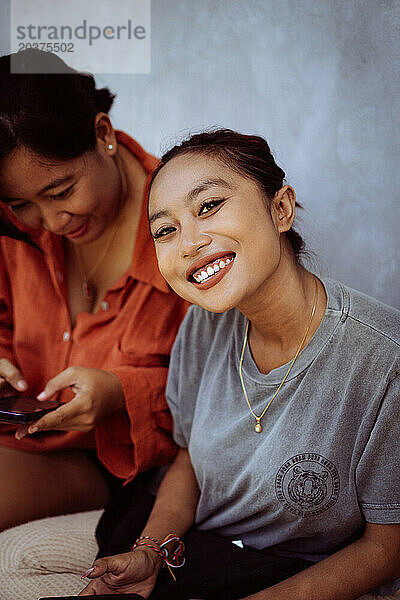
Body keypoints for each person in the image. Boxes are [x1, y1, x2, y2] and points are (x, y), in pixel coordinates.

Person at [80, 129, 400, 600]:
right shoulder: (200, 328)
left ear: (281, 209)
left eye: (208, 206)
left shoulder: (383, 360)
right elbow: (189, 460)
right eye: (165, 230)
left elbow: (387, 547)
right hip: (196, 556)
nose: (188, 242)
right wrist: (150, 552)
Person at [0, 48, 188, 532]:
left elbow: (234, 390)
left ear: (102, 134)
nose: (51, 223)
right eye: (23, 204)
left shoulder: (188, 231)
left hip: (109, 467)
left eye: (62, 192)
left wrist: (123, 393)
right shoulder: (12, 226)